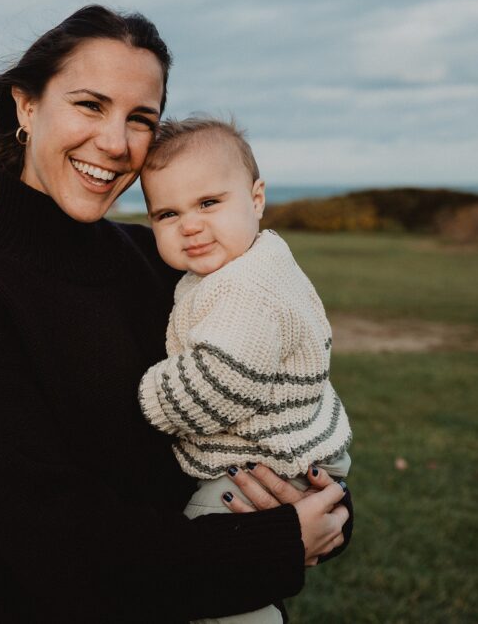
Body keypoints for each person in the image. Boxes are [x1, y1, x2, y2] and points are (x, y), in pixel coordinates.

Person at [0, 5, 352, 623]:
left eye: (140, 119)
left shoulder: (159, 261)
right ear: (26, 107)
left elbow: (285, 400)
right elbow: (53, 550)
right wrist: (279, 543)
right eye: (90, 105)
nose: (115, 144)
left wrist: (322, 502)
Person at [137, 117, 353, 624]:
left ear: (256, 199)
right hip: (294, 453)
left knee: (218, 568)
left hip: (263, 467)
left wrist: (149, 392)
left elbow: (220, 384)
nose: (190, 225)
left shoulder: (244, 290)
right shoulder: (258, 261)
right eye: (167, 213)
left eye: (209, 203)